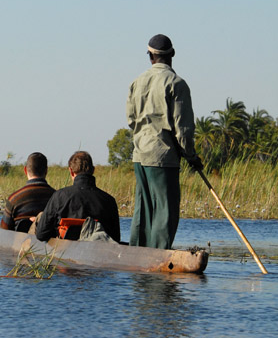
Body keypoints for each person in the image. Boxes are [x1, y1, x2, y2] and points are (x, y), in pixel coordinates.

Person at [126, 34, 203, 249]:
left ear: (150, 56)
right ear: (172, 55)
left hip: (140, 155)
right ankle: (158, 255)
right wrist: (191, 156)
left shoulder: (137, 82)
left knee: (143, 208)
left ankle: (137, 255)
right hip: (163, 156)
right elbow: (183, 129)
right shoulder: (177, 83)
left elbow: (131, 119)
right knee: (165, 211)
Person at [34, 151, 120, 242]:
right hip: (98, 251)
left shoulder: (59, 196)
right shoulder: (109, 200)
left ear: (71, 171)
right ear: (93, 170)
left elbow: (40, 234)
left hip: (65, 251)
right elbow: (115, 239)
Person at [0, 152, 55, 232]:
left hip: (19, 242)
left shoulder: (14, 198)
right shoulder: (57, 197)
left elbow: (4, 232)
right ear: (46, 171)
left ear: (25, 170)